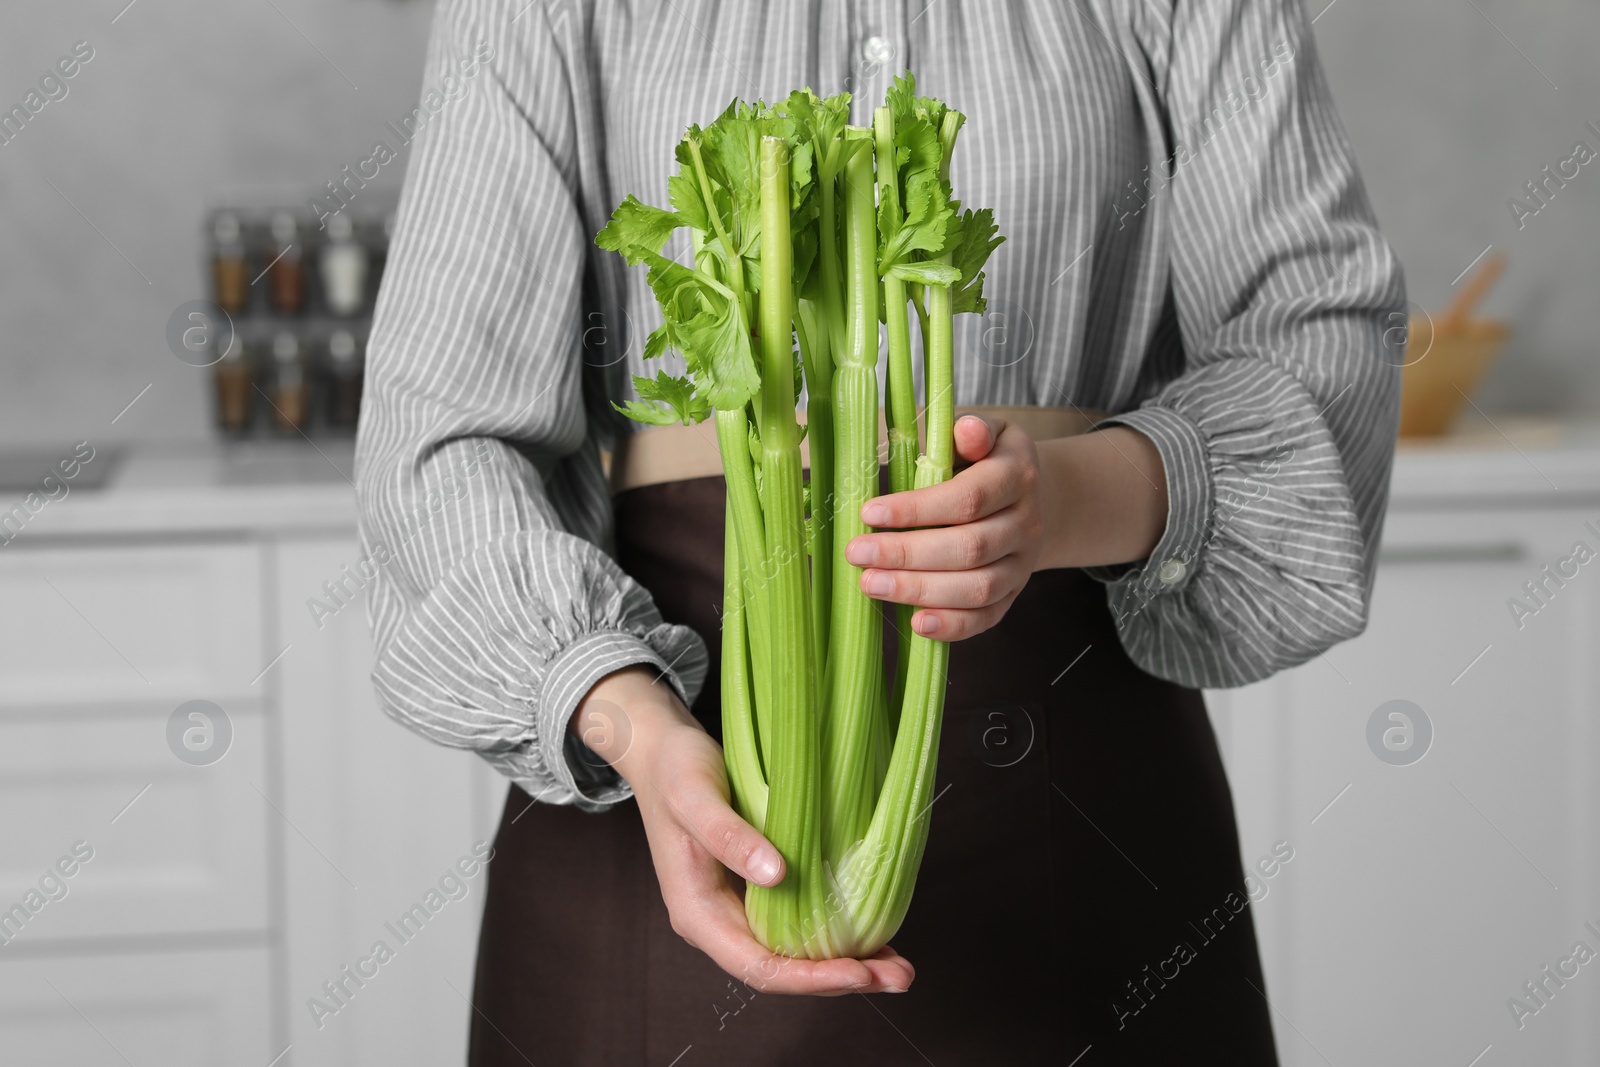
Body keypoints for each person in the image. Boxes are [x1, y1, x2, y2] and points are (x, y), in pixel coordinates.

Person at [354, 1, 1404, 1063]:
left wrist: (1062, 501)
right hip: (662, 804)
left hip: (1076, 790)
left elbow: (1323, 344)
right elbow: (439, 435)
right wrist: (628, 717)